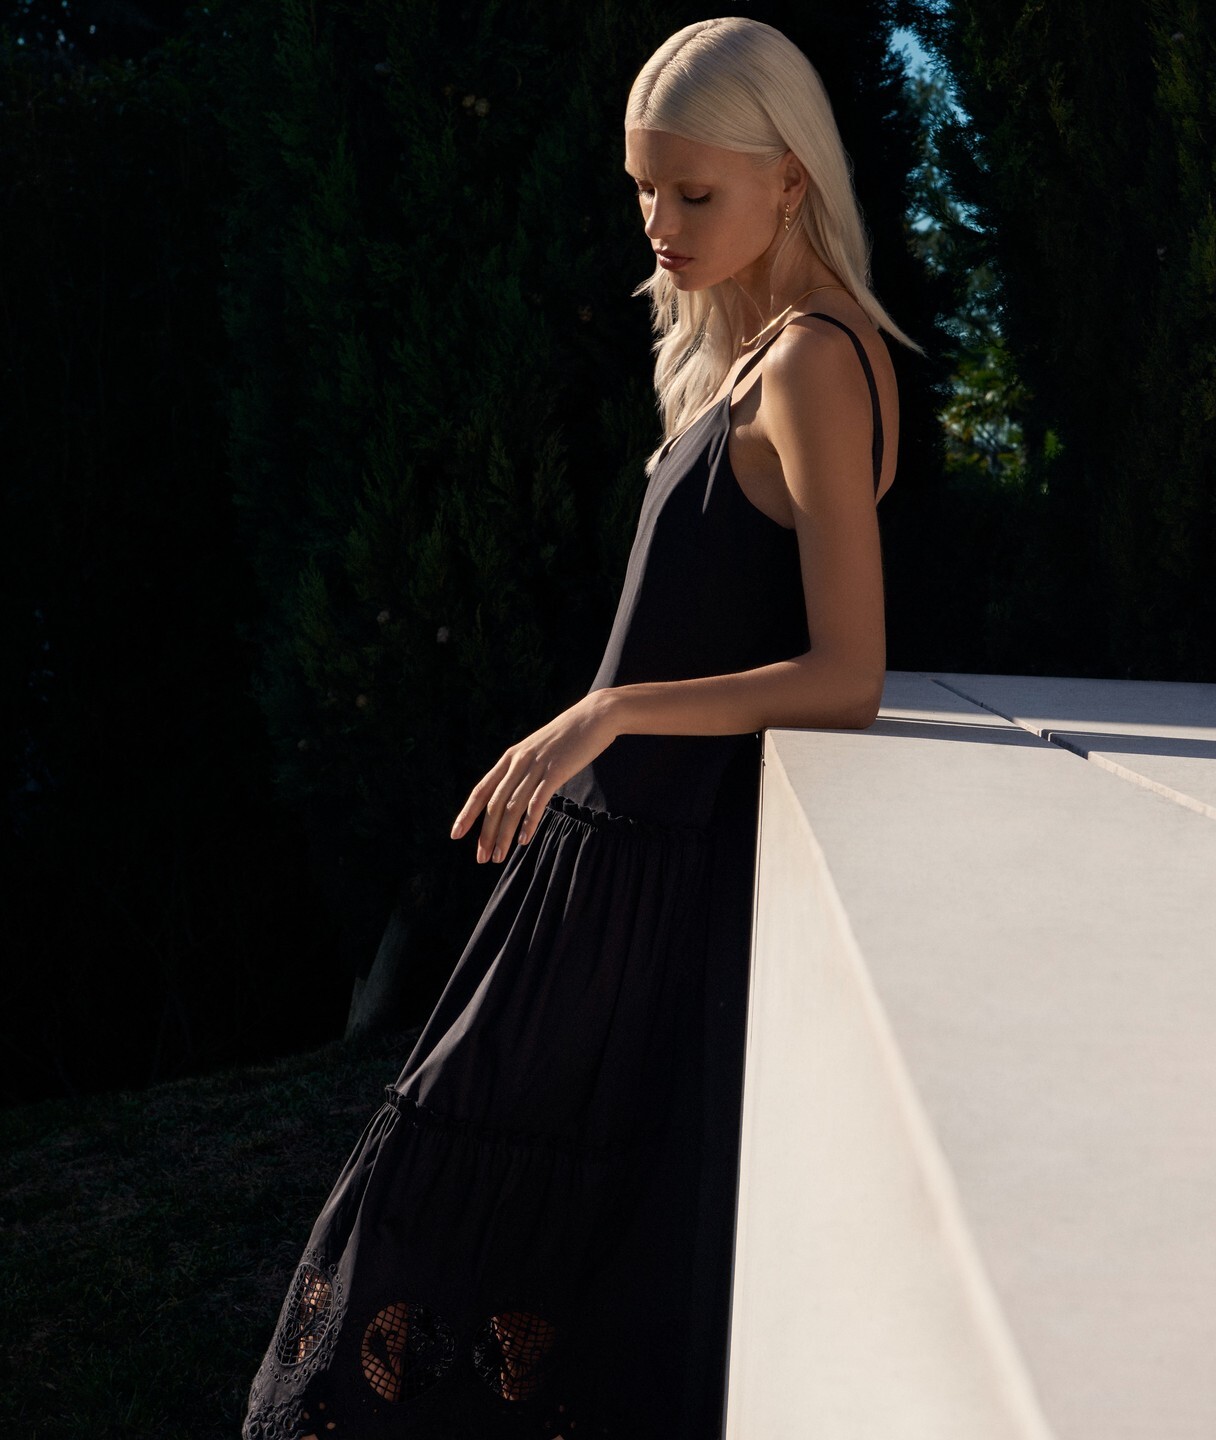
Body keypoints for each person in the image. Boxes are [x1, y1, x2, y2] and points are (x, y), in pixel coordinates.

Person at [241, 16, 918, 1440]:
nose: (660, 225)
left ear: (792, 180)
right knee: (468, 1225)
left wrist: (604, 713)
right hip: (604, 870)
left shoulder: (815, 362)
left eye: (694, 192)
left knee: (451, 1224)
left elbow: (849, 673)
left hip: (647, 884)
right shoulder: (752, 354)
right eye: (643, 190)